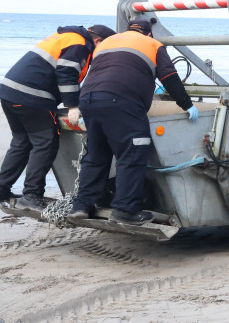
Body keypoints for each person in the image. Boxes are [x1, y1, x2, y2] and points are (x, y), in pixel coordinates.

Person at [68, 19, 199, 225]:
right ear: (148, 34)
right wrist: (186, 104)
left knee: (96, 155)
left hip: (88, 99)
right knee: (132, 153)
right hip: (121, 101)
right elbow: (169, 76)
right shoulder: (153, 45)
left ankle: (82, 206)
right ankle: (126, 210)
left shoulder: (108, 43)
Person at [0, 24, 116, 210]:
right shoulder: (80, 44)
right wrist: (73, 106)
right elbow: (66, 73)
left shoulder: (67, 37)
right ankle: (31, 195)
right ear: (98, 41)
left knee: (21, 142)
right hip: (32, 95)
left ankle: (2, 189)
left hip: (9, 90)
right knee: (45, 143)